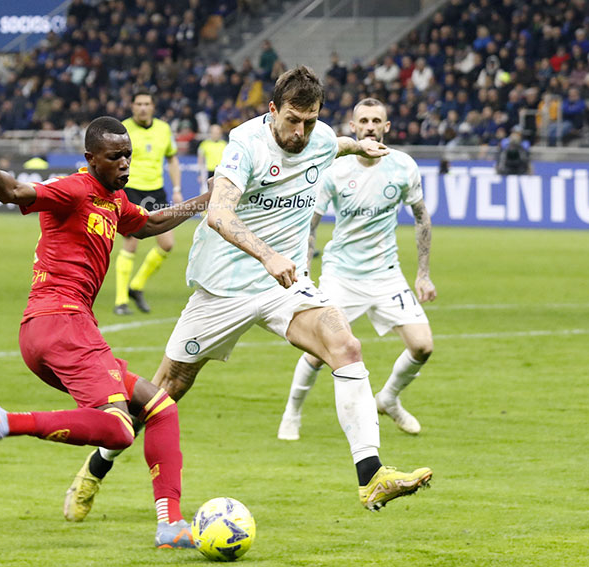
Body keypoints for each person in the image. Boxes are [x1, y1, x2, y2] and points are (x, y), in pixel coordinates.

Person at [69, 67, 432, 515]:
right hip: (224, 287)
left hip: (285, 286)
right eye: (292, 120)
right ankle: (96, 466)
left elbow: (334, 144)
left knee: (345, 344)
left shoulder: (319, 138)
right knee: (165, 390)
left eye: (310, 121)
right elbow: (219, 213)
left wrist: (360, 145)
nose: (300, 133)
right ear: (273, 109)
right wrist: (267, 255)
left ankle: (371, 475)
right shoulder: (245, 144)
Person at [0, 117, 211, 548]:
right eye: (115, 157)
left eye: (128, 155)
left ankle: (170, 524)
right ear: (91, 158)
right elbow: (15, 192)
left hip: (49, 329)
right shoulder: (74, 189)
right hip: (63, 322)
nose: (125, 163)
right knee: (119, 429)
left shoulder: (114, 200)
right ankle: (3, 421)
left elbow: (149, 224)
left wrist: (206, 200)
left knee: (160, 408)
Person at [277, 97, 438, 442]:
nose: (369, 127)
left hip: (386, 274)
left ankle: (388, 399)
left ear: (386, 127)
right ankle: (292, 413)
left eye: (376, 121)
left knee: (422, 345)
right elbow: (310, 223)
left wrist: (423, 274)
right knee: (318, 352)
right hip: (341, 276)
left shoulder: (403, 166)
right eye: (363, 121)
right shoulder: (335, 169)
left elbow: (422, 217)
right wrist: (304, 272)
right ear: (352, 127)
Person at [113, 90, 182, 315]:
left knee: (167, 243)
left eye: (146, 104)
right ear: (132, 106)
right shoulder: (123, 130)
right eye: (139, 104)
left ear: (153, 107)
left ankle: (136, 286)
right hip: (130, 190)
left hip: (157, 192)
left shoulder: (164, 129)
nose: (143, 108)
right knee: (131, 243)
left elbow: (172, 159)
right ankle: (121, 301)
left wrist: (177, 189)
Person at [196, 124, 227, 194]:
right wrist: (199, 174)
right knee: (205, 193)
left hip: (220, 172)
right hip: (208, 172)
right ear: (210, 133)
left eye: (218, 133)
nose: (216, 135)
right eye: (214, 133)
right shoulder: (204, 144)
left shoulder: (225, 145)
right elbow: (200, 160)